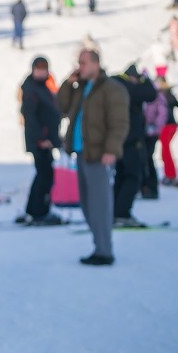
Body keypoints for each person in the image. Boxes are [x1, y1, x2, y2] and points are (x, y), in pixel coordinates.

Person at [58, 49, 129, 266]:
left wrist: (111, 149)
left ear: (96, 64)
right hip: (82, 152)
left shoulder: (111, 89)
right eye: (78, 62)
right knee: (87, 204)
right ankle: (99, 245)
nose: (80, 66)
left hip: (99, 154)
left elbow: (119, 122)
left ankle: (104, 250)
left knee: (100, 204)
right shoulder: (81, 88)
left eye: (83, 62)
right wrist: (68, 83)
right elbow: (61, 107)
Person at [111, 65, 157, 227]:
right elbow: (151, 93)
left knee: (121, 176)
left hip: (118, 139)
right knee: (133, 177)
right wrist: (145, 79)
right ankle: (121, 213)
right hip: (131, 139)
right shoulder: (129, 88)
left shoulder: (115, 85)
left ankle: (114, 212)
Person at [19, 56, 63, 224]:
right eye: (38, 68)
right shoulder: (31, 88)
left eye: (44, 68)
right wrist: (40, 138)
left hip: (47, 140)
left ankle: (33, 209)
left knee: (43, 175)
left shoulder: (43, 87)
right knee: (45, 176)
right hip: (40, 141)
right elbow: (30, 116)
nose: (41, 71)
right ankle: (39, 211)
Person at [157, 77, 178, 187]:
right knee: (165, 151)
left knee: (166, 152)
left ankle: (171, 176)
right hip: (172, 126)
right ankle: (169, 175)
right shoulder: (170, 95)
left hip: (166, 127)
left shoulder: (161, 96)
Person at [141, 84, 168, 199]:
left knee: (148, 158)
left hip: (152, 134)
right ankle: (143, 186)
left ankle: (152, 187)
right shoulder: (142, 96)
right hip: (142, 133)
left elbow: (162, 115)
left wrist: (155, 128)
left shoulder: (158, 97)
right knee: (142, 159)